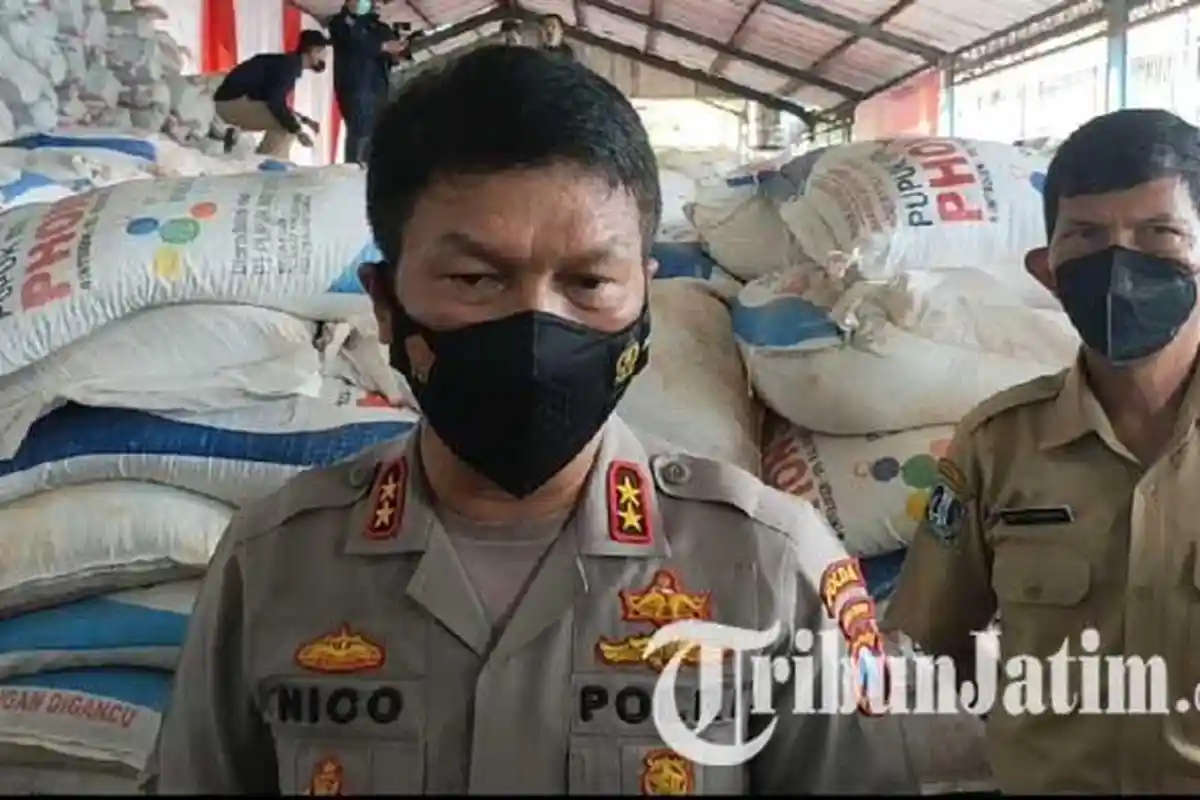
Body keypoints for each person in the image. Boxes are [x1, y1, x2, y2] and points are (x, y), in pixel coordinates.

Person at [141, 45, 916, 794]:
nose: (537, 328)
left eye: (588, 282)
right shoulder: (275, 564)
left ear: (645, 300)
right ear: (384, 303)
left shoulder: (770, 566)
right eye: (477, 278)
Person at [884, 108, 1200, 793]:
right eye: (1086, 236)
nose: (1121, 263)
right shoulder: (996, 447)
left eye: (1160, 233)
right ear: (1048, 270)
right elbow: (929, 653)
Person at [212, 29, 329, 159]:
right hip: (228, 106)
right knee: (286, 125)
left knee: (288, 121)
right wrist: (298, 131)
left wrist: (305, 120)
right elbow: (275, 103)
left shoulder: (285, 64)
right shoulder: (288, 68)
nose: (325, 57)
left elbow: (271, 99)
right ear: (313, 51)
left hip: (228, 103)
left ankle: (266, 161)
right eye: (323, 52)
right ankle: (265, 166)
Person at [325, 0, 406, 164]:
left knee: (377, 135)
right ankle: (353, 173)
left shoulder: (379, 27)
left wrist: (399, 49)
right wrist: (382, 46)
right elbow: (356, 42)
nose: (375, 3)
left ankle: (372, 174)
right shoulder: (341, 22)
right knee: (360, 132)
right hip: (355, 88)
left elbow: (389, 53)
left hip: (380, 89)